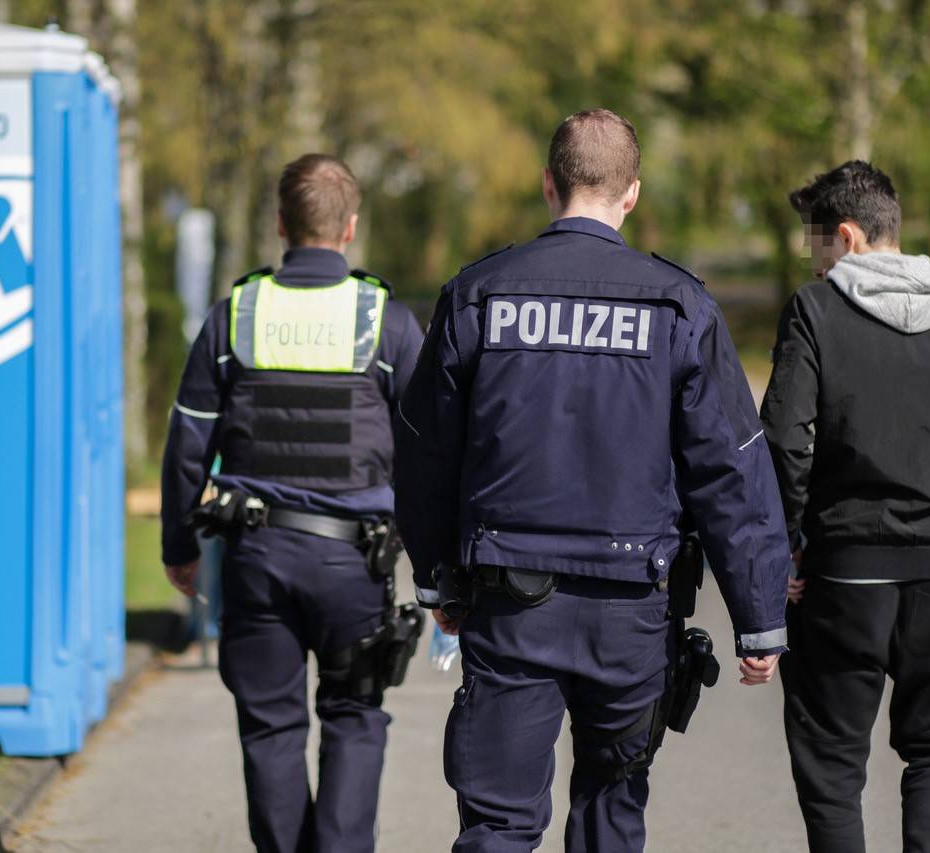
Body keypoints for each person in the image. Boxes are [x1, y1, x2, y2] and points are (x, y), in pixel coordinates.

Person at [394, 109, 792, 853]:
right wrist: (759, 612)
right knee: (611, 812)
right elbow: (729, 469)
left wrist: (436, 578)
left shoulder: (479, 295)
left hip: (508, 603)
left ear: (549, 183)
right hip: (632, 611)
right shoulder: (679, 305)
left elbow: (423, 453)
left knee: (498, 823)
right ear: (632, 193)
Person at [160, 153, 424, 853]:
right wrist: (437, 564)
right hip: (353, 562)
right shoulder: (386, 323)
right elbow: (430, 451)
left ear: (281, 224)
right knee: (353, 716)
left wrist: (180, 547)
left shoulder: (236, 314)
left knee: (271, 724)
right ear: (351, 227)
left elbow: (187, 442)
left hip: (258, 557)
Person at [761, 160, 930, 853]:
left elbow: (785, 446)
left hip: (844, 575)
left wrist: (783, 545)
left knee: (832, 767)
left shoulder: (815, 313)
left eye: (817, 252)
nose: (815, 270)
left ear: (844, 236)